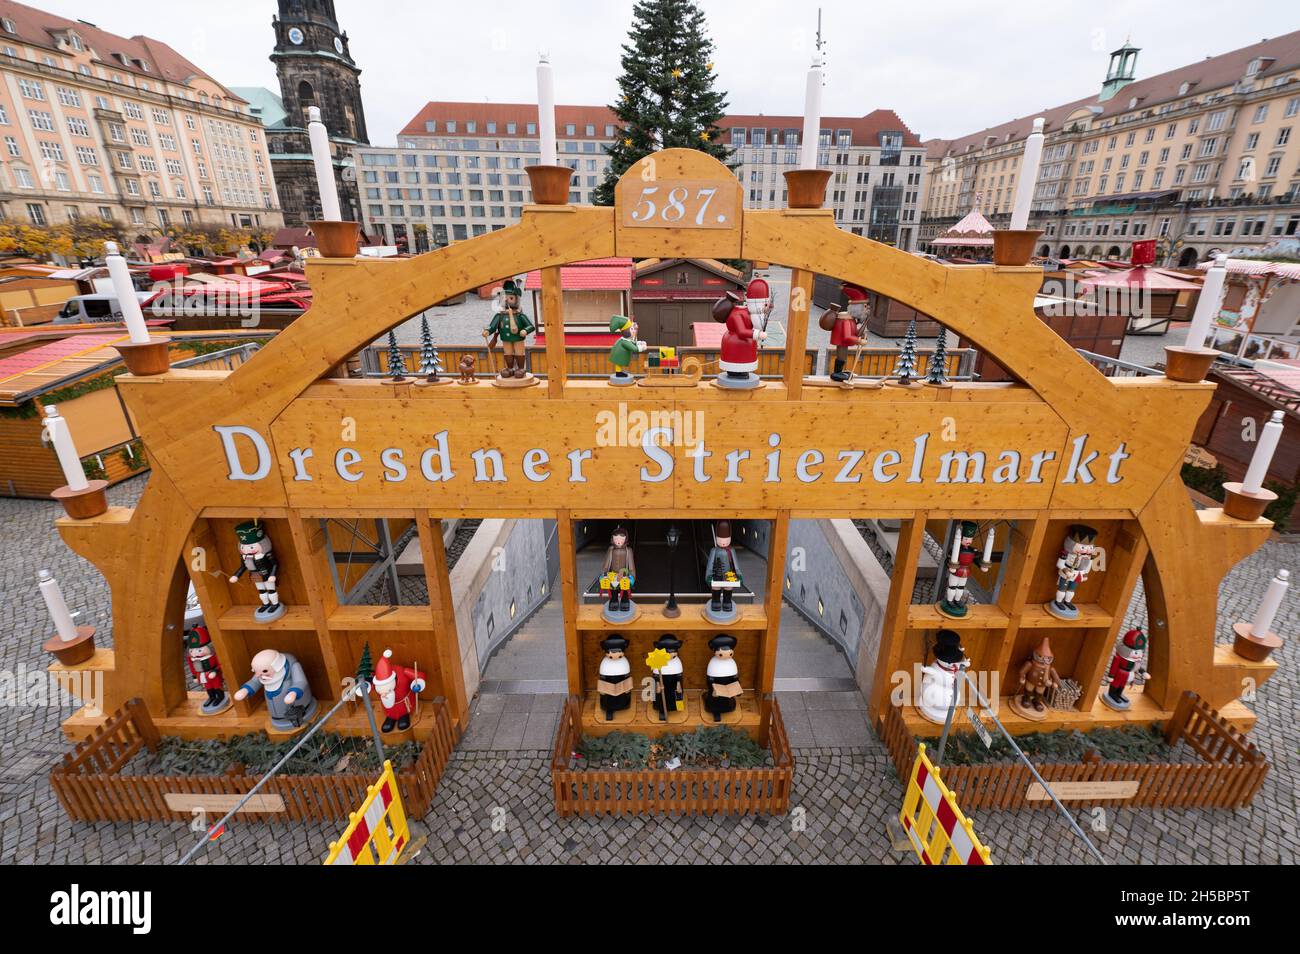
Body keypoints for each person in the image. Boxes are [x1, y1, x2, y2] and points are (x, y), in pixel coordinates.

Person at [484, 279, 534, 379]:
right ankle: (510, 368)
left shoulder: (520, 315)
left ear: (516, 299)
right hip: (505, 338)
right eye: (504, 298)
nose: (506, 301)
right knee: (508, 353)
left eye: (510, 298)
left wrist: (525, 330)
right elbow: (493, 326)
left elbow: (531, 326)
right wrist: (488, 331)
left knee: (519, 352)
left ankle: (520, 368)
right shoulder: (500, 315)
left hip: (518, 338)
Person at [702, 634, 742, 722]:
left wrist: (737, 687)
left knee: (728, 700)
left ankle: (728, 707)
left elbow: (735, 678)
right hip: (716, 688)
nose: (726, 655)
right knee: (715, 700)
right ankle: (715, 711)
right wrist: (712, 689)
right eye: (721, 653)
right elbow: (710, 679)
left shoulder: (731, 663)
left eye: (730, 653)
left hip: (728, 688)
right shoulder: (713, 663)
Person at [597, 635, 633, 721]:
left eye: (618, 652)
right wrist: (602, 689)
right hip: (608, 685)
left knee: (623, 698)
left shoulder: (624, 662)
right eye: (612, 652)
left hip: (622, 685)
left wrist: (627, 688)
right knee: (607, 699)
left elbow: (627, 677)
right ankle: (608, 709)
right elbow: (602, 678)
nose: (615, 654)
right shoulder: (605, 663)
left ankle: (624, 705)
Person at [650, 634, 683, 721]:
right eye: (667, 652)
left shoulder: (677, 662)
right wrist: (657, 684)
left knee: (675, 696)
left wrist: (679, 684)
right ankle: (661, 710)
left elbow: (679, 676)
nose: (670, 655)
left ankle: (675, 707)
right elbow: (655, 676)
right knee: (661, 697)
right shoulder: (658, 661)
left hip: (673, 684)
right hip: (662, 685)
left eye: (672, 652)